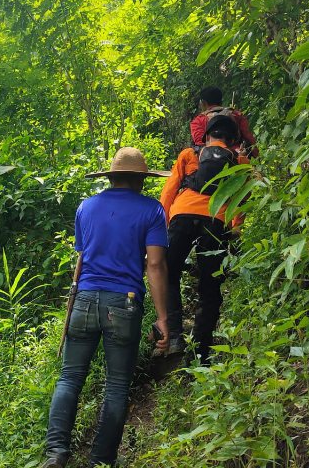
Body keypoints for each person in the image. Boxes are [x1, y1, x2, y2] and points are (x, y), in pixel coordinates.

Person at [42, 147, 171, 468]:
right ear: (141, 180)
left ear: (111, 177)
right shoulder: (152, 211)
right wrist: (163, 318)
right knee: (116, 384)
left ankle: (55, 453)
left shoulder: (86, 208)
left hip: (84, 300)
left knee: (70, 377)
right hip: (123, 304)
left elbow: (83, 256)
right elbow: (155, 265)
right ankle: (101, 460)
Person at [159, 115, 250, 363]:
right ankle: (200, 352)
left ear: (206, 136)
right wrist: (236, 228)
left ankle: (175, 336)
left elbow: (168, 191)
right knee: (210, 288)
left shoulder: (189, 154)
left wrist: (162, 225)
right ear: (232, 140)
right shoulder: (239, 161)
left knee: (168, 273)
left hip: (181, 215)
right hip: (215, 219)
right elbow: (240, 200)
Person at [190, 86, 258, 157]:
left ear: (203, 103)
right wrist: (256, 157)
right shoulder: (236, 114)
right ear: (221, 101)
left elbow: (200, 145)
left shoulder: (198, 121)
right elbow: (248, 138)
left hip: (211, 159)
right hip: (237, 156)